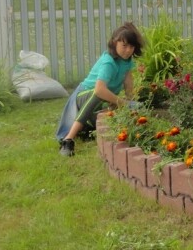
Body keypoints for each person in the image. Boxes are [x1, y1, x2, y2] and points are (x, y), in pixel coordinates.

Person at [56, 22, 145, 156]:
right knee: (99, 94)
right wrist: (121, 102)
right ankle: (68, 140)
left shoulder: (126, 61)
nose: (128, 50)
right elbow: (99, 90)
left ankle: (87, 129)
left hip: (100, 100)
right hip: (82, 97)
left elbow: (128, 80)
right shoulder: (108, 62)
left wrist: (130, 100)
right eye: (124, 45)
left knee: (134, 106)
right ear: (115, 43)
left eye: (131, 46)